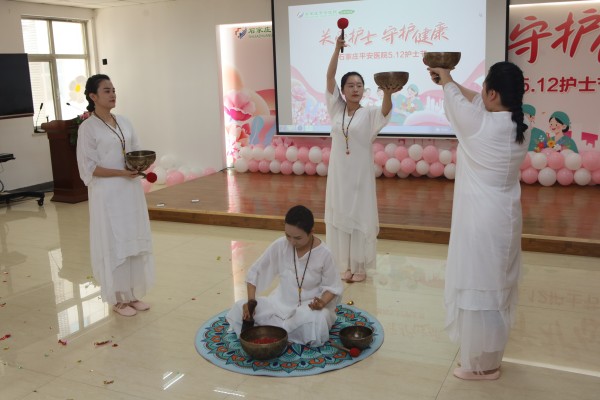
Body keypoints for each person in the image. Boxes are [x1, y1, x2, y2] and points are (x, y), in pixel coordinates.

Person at [426, 62, 529, 380]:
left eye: (484, 88)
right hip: (505, 218)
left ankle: (481, 366)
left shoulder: (480, 124)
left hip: (479, 221)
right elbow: (473, 101)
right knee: (496, 290)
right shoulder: (522, 124)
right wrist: (451, 81)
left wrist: (446, 78)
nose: (480, 93)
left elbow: (461, 103)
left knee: (478, 290)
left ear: (493, 93)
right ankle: (490, 359)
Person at [76, 74, 155, 317]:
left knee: (132, 239)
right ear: (93, 96)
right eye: (106, 91)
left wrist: (138, 167)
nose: (112, 94)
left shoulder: (124, 121)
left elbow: (135, 151)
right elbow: (89, 167)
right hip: (107, 194)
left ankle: (131, 294)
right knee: (114, 242)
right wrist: (121, 172)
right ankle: (117, 299)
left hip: (129, 190)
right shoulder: (88, 128)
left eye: (113, 90)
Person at [325, 36, 402, 282]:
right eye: (350, 85)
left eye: (359, 85)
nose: (355, 89)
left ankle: (359, 266)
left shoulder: (368, 114)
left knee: (358, 216)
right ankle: (343, 264)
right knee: (340, 216)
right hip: (339, 175)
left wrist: (387, 94)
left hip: (359, 176)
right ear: (343, 90)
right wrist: (336, 49)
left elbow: (385, 111)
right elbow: (329, 78)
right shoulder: (336, 109)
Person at [226, 205, 343, 346]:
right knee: (239, 307)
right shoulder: (280, 245)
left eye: (298, 238)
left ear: (311, 232)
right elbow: (255, 272)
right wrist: (251, 304)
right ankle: (287, 333)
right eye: (288, 236)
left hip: (308, 308)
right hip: (279, 305)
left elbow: (332, 287)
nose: (292, 242)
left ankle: (275, 331)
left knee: (319, 319)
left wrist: (322, 303)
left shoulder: (325, 254)